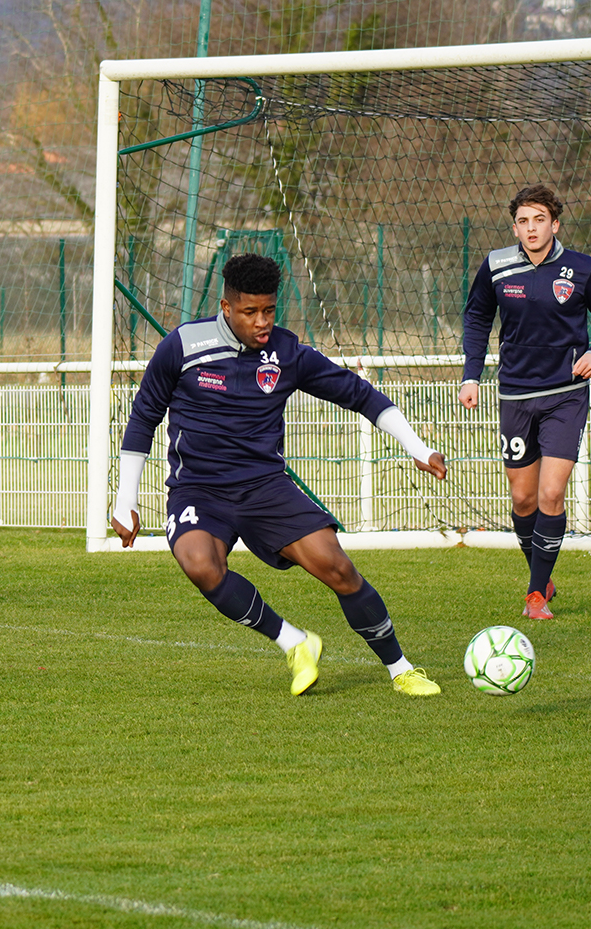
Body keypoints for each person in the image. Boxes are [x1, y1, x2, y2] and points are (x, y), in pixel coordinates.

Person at [112, 253, 448, 697]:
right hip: (199, 489)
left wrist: (418, 448)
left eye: (269, 310)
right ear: (226, 307)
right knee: (200, 564)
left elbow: (360, 395)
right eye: (250, 312)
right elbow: (143, 419)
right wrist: (125, 499)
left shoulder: (286, 353)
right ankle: (294, 641)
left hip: (265, 488)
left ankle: (401, 669)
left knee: (338, 567)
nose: (262, 321)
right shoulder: (182, 346)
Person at [460, 184, 591, 619]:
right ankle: (542, 575)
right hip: (514, 395)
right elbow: (476, 317)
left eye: (539, 220)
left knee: (552, 493)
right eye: (522, 221)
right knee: (523, 501)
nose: (530, 229)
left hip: (564, 395)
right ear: (514, 226)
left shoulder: (582, 269)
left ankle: (535, 595)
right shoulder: (496, 266)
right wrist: (471, 376)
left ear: (555, 224)